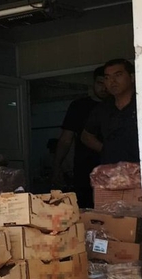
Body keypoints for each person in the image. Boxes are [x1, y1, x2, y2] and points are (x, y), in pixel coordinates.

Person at [52, 66, 108, 208]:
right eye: (100, 83)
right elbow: (66, 138)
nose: (104, 88)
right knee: (86, 210)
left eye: (106, 83)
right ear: (94, 83)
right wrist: (57, 166)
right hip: (85, 169)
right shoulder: (79, 106)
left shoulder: (118, 106)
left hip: (113, 167)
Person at [82, 59, 139, 166]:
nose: (112, 81)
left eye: (118, 75)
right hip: (114, 172)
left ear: (132, 77)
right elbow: (86, 136)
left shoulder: (139, 103)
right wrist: (108, 150)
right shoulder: (103, 108)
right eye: (107, 77)